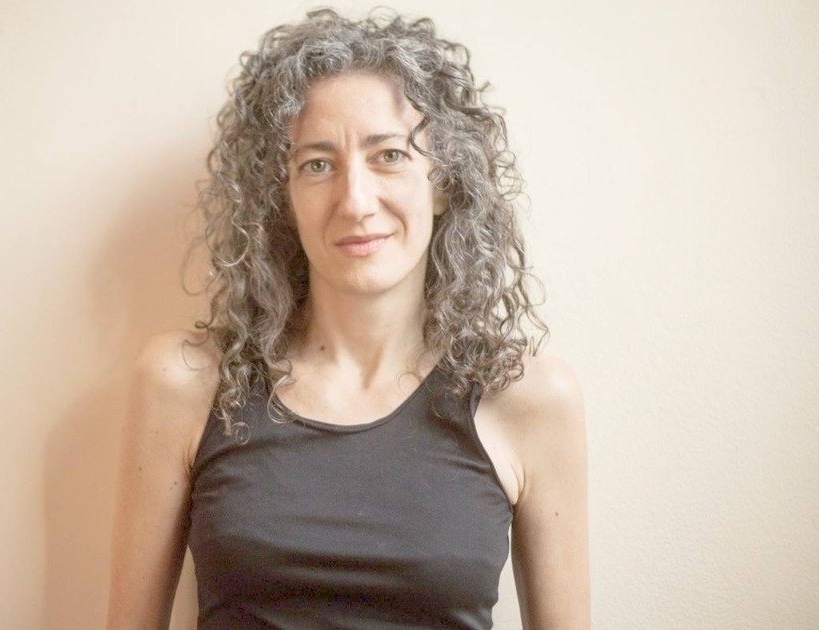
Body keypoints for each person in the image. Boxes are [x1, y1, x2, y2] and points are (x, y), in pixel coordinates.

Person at [107, 9, 588, 629]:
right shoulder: (185, 384)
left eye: (389, 155)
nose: (356, 201)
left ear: (443, 183)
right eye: (317, 164)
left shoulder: (529, 399)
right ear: (281, 196)